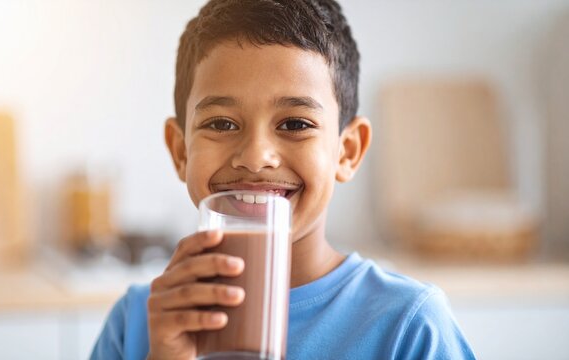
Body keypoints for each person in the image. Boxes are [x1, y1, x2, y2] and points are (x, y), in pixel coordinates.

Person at [91, 0, 476, 359]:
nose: (257, 157)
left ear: (347, 151)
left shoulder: (408, 327)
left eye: (295, 124)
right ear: (180, 151)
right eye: (221, 123)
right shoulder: (137, 323)